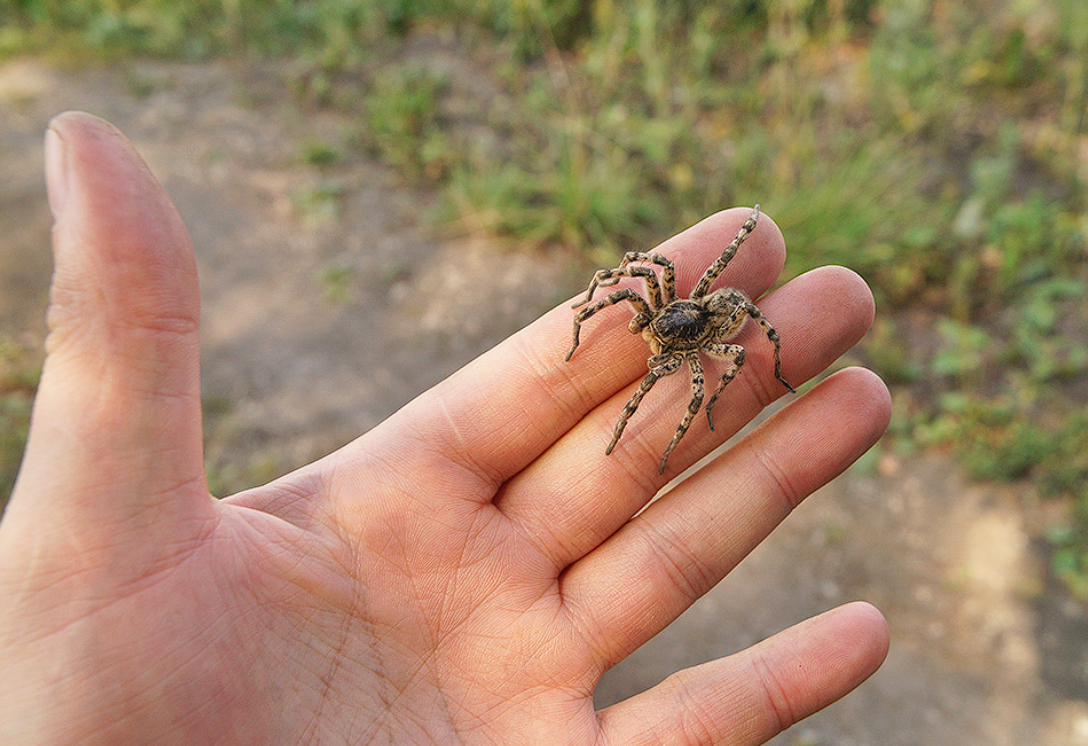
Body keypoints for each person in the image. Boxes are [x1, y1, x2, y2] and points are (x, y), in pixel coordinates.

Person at [0, 111, 891, 745]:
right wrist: (595, 311)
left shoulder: (701, 339)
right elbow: (641, 272)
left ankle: (648, 415)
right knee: (644, 277)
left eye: (676, 326)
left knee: (711, 376)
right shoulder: (661, 310)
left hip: (716, 338)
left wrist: (728, 378)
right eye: (669, 322)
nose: (666, 329)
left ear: (689, 324)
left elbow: (717, 361)